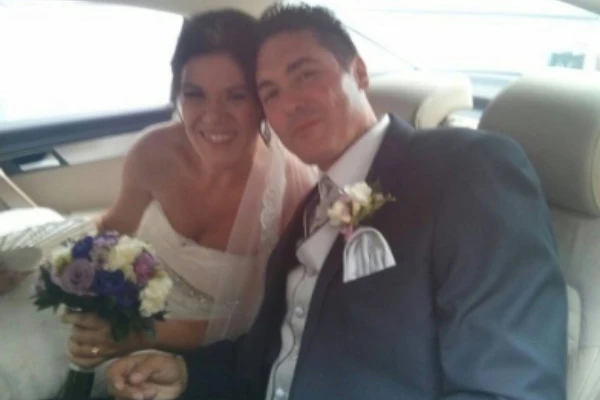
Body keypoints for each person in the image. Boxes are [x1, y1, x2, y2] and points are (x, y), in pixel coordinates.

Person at [105, 4, 567, 400]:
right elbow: (268, 351)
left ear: (359, 72)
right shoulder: (309, 209)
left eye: (305, 75)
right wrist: (186, 372)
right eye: (270, 93)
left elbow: (507, 385)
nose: (290, 103)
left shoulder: (465, 168)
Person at [59, 8, 317, 393]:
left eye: (236, 96)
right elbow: (112, 229)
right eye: (195, 95)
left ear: (262, 101)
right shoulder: (153, 151)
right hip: (122, 311)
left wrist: (136, 336)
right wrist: (60, 271)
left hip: (201, 355)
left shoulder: (292, 193)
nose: (213, 117)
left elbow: (257, 323)